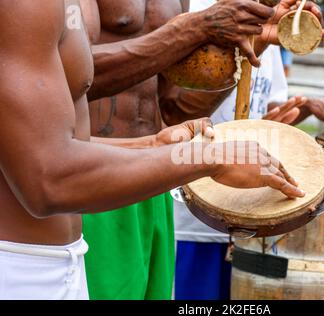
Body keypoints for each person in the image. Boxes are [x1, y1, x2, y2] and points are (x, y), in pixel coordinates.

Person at [0, 0, 304, 300]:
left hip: (85, 234)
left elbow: (173, 110)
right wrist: (206, 157)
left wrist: (150, 144)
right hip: (29, 255)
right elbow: (48, 177)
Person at [173, 0, 324, 301]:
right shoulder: (199, 11)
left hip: (257, 218)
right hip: (198, 223)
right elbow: (174, 111)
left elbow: (269, 111)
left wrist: (305, 108)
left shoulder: (267, 25)